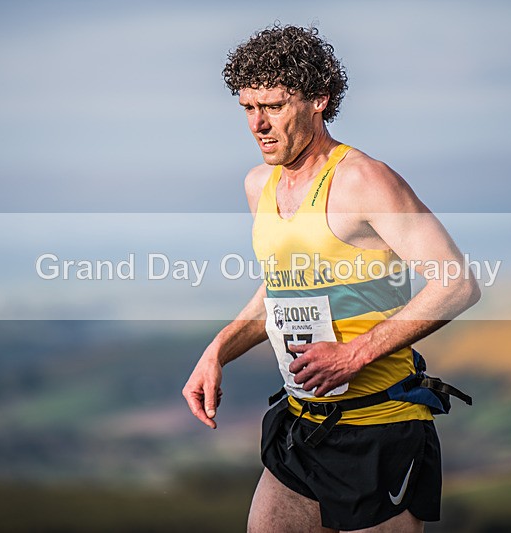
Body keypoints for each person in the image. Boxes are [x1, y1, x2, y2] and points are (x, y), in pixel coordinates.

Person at [182, 24, 481, 532]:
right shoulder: (260, 185)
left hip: (380, 429)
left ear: (319, 100)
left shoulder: (364, 180)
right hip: (302, 426)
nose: (258, 124)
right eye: (248, 108)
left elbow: (456, 284)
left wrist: (354, 354)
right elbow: (280, 290)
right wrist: (218, 351)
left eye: (274, 106)